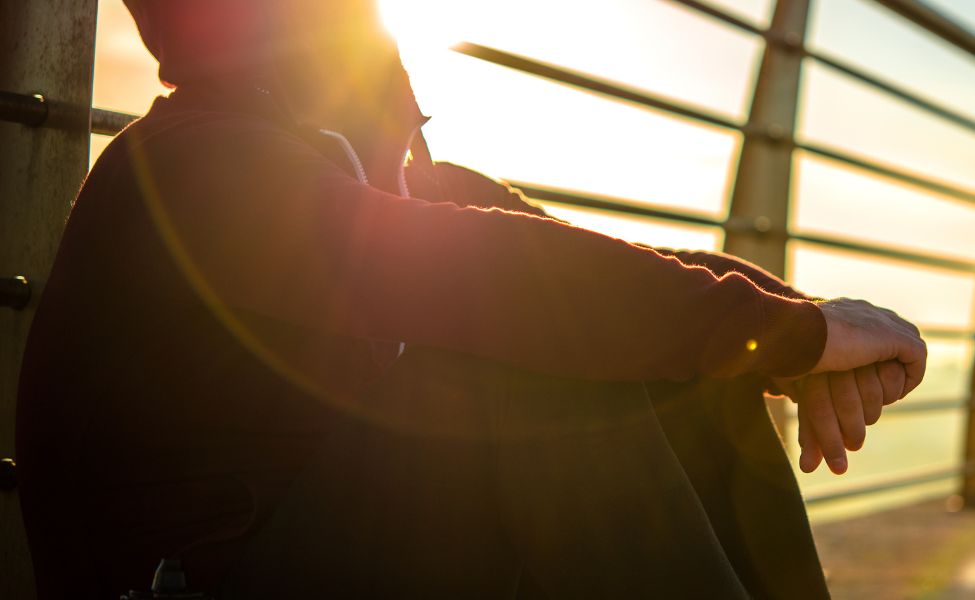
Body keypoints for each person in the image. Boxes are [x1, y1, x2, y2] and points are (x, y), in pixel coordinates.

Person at [15, 1, 927, 597]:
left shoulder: (387, 176)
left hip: (317, 543)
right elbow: (501, 284)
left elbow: (611, 268)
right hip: (198, 579)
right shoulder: (190, 166)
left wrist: (807, 333)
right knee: (535, 360)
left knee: (675, 349)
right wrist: (801, 336)